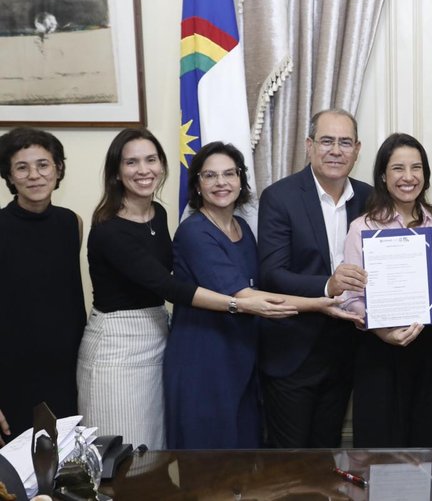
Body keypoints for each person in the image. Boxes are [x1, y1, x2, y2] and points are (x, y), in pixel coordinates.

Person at [78, 128, 297, 450]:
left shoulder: (158, 214)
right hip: (117, 349)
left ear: (163, 165)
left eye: (151, 159)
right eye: (132, 162)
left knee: (154, 452)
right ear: (116, 172)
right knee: (123, 456)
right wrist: (240, 305)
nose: (143, 170)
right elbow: (170, 286)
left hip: (158, 336)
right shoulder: (110, 230)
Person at [163, 142, 362, 449]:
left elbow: (260, 289)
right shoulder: (194, 232)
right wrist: (322, 303)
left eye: (229, 174)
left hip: (242, 356)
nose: (221, 183)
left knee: (244, 459)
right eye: (210, 176)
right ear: (197, 185)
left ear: (241, 180)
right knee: (207, 465)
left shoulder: (241, 228)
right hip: (204, 361)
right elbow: (249, 299)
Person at [258, 108, 372, 448]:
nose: (336, 150)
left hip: (348, 350)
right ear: (309, 145)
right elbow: (272, 273)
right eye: (326, 141)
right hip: (294, 351)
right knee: (290, 462)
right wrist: (328, 285)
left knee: (327, 454)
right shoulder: (280, 197)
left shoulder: (369, 197)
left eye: (345, 142)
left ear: (357, 149)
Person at [340, 133, 432, 448]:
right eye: (398, 169)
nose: (408, 177)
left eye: (416, 168)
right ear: (382, 176)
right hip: (379, 355)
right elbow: (349, 299)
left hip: (429, 351)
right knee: (383, 457)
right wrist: (382, 331)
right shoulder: (362, 228)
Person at [0, 128, 85, 444]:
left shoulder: (71, 223)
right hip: (11, 377)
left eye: (43, 165)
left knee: (66, 478)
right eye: (22, 167)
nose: (34, 175)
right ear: (9, 175)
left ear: (58, 169)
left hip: (67, 375)